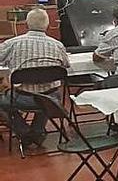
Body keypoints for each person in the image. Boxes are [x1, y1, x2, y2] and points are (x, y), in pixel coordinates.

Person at [0, 8, 69, 147]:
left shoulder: (12, 43)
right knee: (45, 91)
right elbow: (66, 65)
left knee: (4, 101)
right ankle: (37, 132)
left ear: (26, 23)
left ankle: (24, 132)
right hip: (51, 100)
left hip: (22, 99)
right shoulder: (58, 45)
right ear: (47, 25)